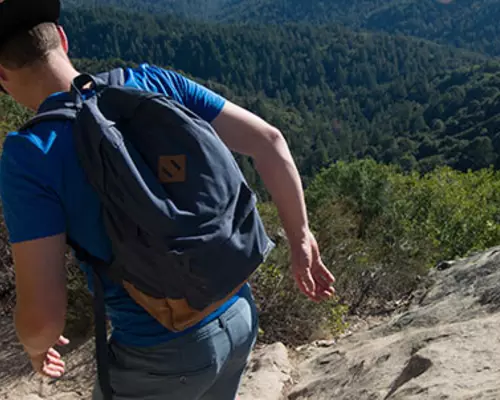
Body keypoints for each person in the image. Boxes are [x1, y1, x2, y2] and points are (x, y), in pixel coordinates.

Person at [0, 0, 336, 399]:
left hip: (158, 355)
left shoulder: (30, 154)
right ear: (62, 40)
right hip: (238, 312)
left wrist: (38, 348)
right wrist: (300, 238)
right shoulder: (152, 81)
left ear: (2, 76)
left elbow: (43, 320)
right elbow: (269, 141)